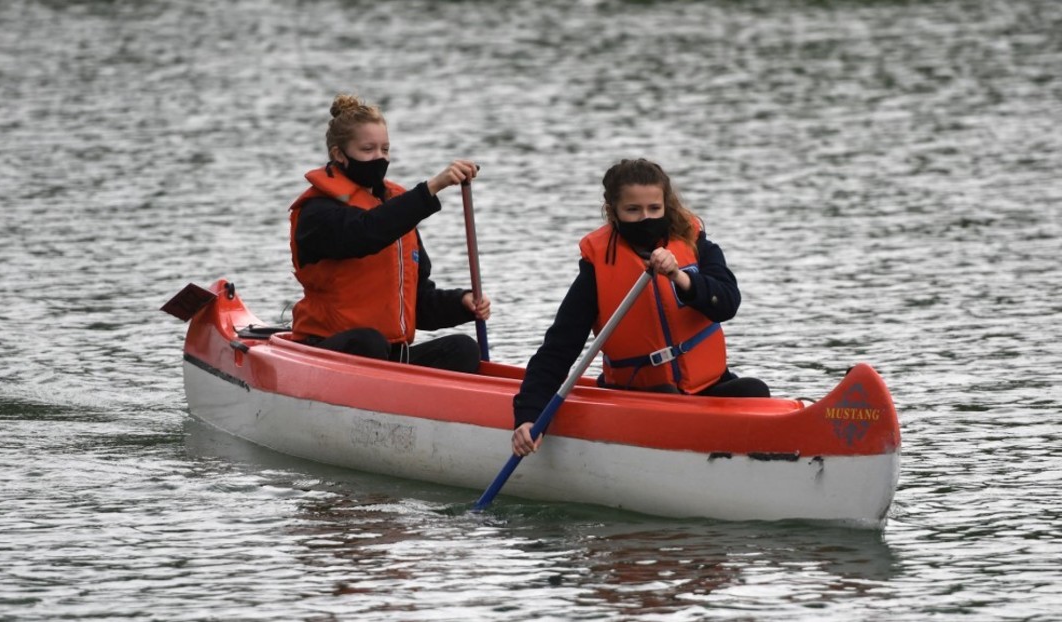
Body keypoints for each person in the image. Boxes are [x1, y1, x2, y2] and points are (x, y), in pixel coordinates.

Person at [511, 158, 769, 457]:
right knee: (669, 400)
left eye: (654, 209)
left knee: (754, 391)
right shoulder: (596, 271)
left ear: (666, 206)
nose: (645, 218)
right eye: (633, 210)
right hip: (639, 395)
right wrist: (529, 415)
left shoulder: (697, 244)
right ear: (613, 212)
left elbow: (727, 304)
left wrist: (680, 277)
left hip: (706, 387)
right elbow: (558, 350)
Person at [288, 93, 491, 373]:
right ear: (339, 155)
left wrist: (462, 304)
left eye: (385, 149)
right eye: (368, 149)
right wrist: (431, 188)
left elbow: (418, 303)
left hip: (388, 358)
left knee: (463, 348)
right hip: (328, 352)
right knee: (369, 342)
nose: (379, 158)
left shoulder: (396, 209)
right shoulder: (318, 213)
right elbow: (366, 233)